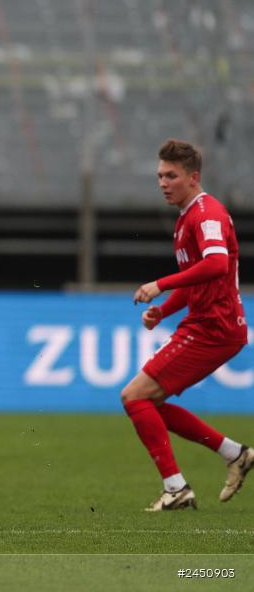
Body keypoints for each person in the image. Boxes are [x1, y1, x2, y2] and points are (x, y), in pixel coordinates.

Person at [126, 138, 251, 511]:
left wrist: (160, 284)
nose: (163, 183)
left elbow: (216, 264)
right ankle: (235, 455)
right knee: (147, 402)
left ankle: (176, 488)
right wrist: (163, 311)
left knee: (134, 397)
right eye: (160, 176)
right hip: (204, 323)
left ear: (193, 177)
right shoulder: (186, 217)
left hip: (215, 327)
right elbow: (199, 277)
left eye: (172, 176)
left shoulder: (206, 214)